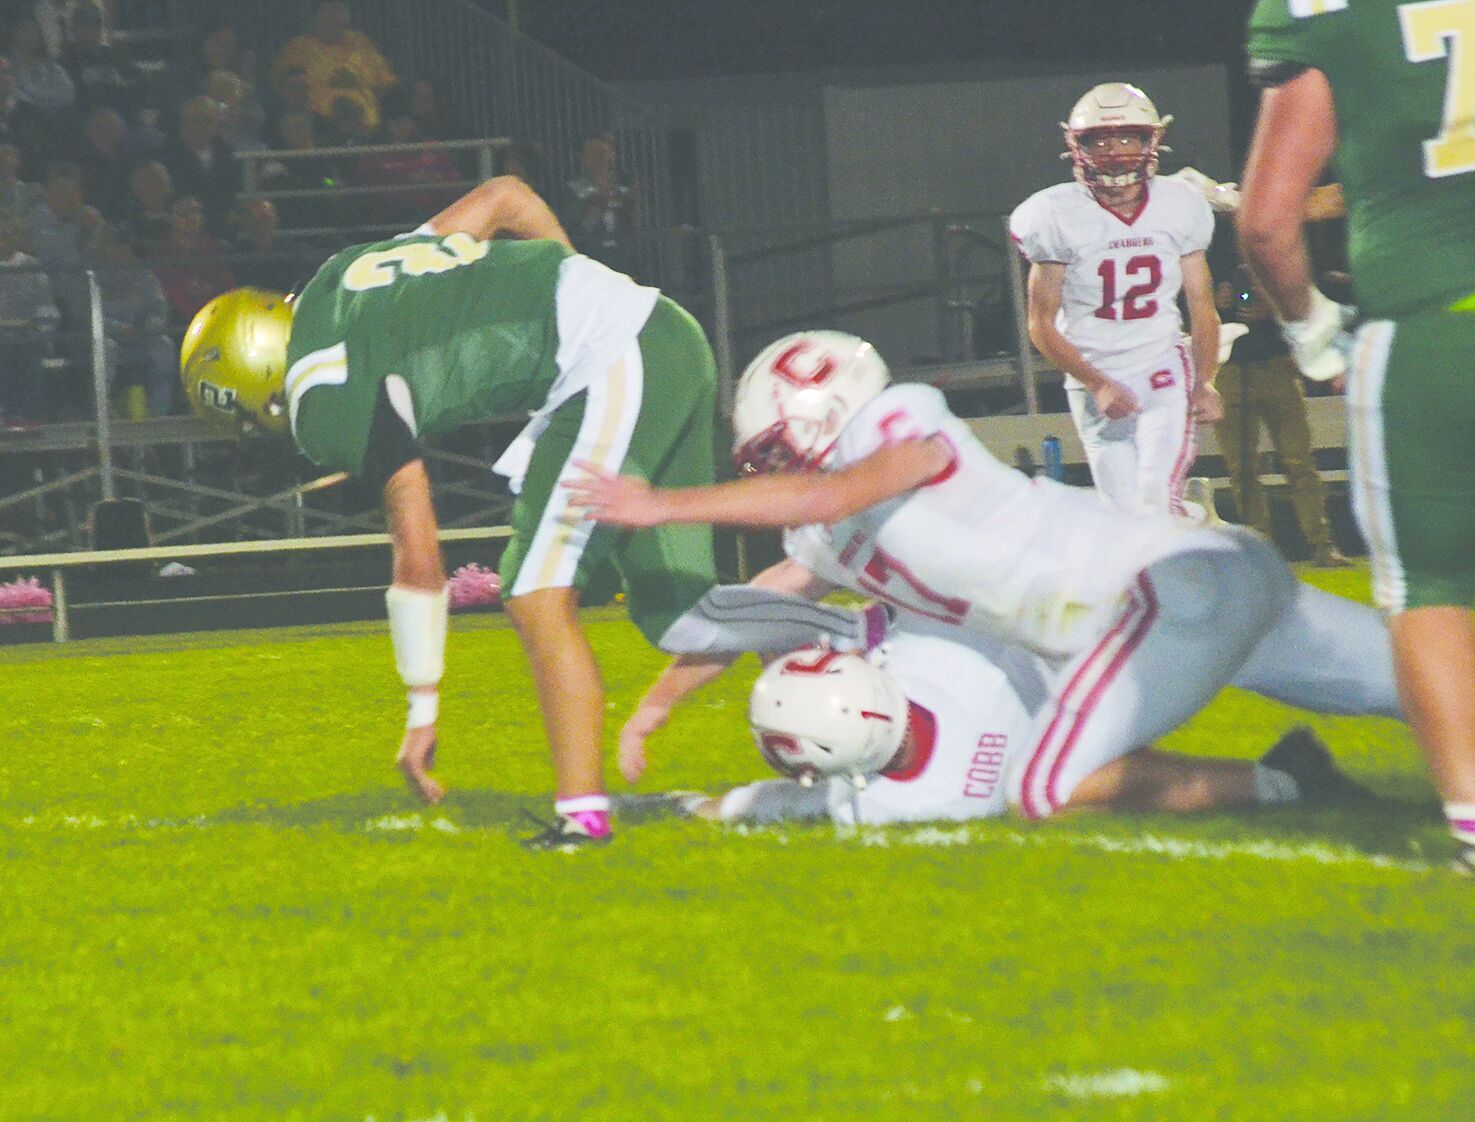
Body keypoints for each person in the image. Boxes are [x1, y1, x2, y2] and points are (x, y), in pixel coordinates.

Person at [180, 176, 826, 850]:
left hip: (616, 359)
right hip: (661, 334)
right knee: (681, 614)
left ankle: (583, 820)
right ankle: (855, 631)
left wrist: (422, 706)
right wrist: (586, 290)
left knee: (535, 590)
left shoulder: (322, 397)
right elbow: (507, 197)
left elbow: (417, 547)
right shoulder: (339, 276)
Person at [570, 330, 1320, 821]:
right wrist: (660, 701)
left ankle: (1276, 780)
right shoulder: (840, 516)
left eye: (778, 450)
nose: (777, 469)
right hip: (989, 656)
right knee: (1037, 771)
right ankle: (1280, 781)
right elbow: (772, 598)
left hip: (1090, 620)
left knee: (1038, 777)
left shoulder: (900, 463)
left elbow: (824, 505)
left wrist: (658, 507)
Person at [1238, 0, 1475, 874]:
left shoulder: (1317, 8)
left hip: (1425, 324)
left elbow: (1265, 221)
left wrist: (1311, 334)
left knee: (1428, 584)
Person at [690, 631, 1379, 828]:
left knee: (1067, 788)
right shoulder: (923, 649)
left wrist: (684, 806)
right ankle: (1282, 778)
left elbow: (765, 804)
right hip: (1095, 672)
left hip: (1067, 706)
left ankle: (1283, 782)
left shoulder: (893, 808)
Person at [1009, 83, 1222, 517]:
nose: (1115, 152)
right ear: (1079, 147)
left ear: (1151, 142)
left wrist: (1204, 380)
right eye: (1101, 141)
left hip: (1161, 367)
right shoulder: (1054, 214)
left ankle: (1180, 519)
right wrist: (1097, 383)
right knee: (1125, 519)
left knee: (1154, 501)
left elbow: (1202, 307)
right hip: (1092, 375)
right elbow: (1040, 325)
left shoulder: (1179, 203)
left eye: (1127, 138)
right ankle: (1196, 520)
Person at [1215, 265, 1348, 568]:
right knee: (1242, 467)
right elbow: (1189, 302)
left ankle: (1322, 544)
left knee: (1299, 460)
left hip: (1277, 364)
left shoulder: (1272, 249)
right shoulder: (1205, 252)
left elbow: (1306, 293)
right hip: (1229, 369)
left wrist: (1272, 306)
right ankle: (1260, 549)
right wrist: (1215, 301)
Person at [271, 1, 397, 134]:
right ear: (315, 17)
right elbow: (285, 88)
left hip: (366, 129)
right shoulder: (298, 49)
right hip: (319, 130)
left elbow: (385, 82)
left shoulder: (362, 44)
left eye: (340, 11)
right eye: (329, 10)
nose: (335, 17)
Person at [159, 95, 242, 238]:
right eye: (197, 120)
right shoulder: (166, 154)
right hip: (181, 233)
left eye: (209, 120)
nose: (203, 126)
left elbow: (233, 192)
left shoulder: (227, 154)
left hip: (221, 232)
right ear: (183, 123)